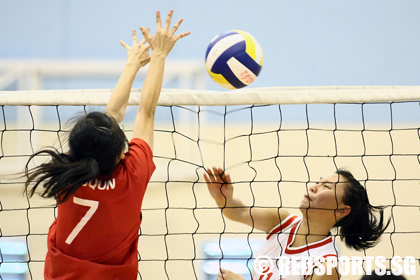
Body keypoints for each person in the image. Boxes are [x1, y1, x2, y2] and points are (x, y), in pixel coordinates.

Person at [23, 10, 190, 280]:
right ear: (121, 154)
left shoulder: (68, 173)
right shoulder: (131, 177)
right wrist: (158, 56)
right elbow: (144, 112)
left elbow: (114, 120)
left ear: (74, 149)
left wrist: (133, 64)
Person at [204, 167, 390, 280]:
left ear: (342, 210)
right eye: (318, 181)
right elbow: (240, 211)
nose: (313, 187)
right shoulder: (282, 222)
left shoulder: (325, 267)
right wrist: (224, 199)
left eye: (326, 187)